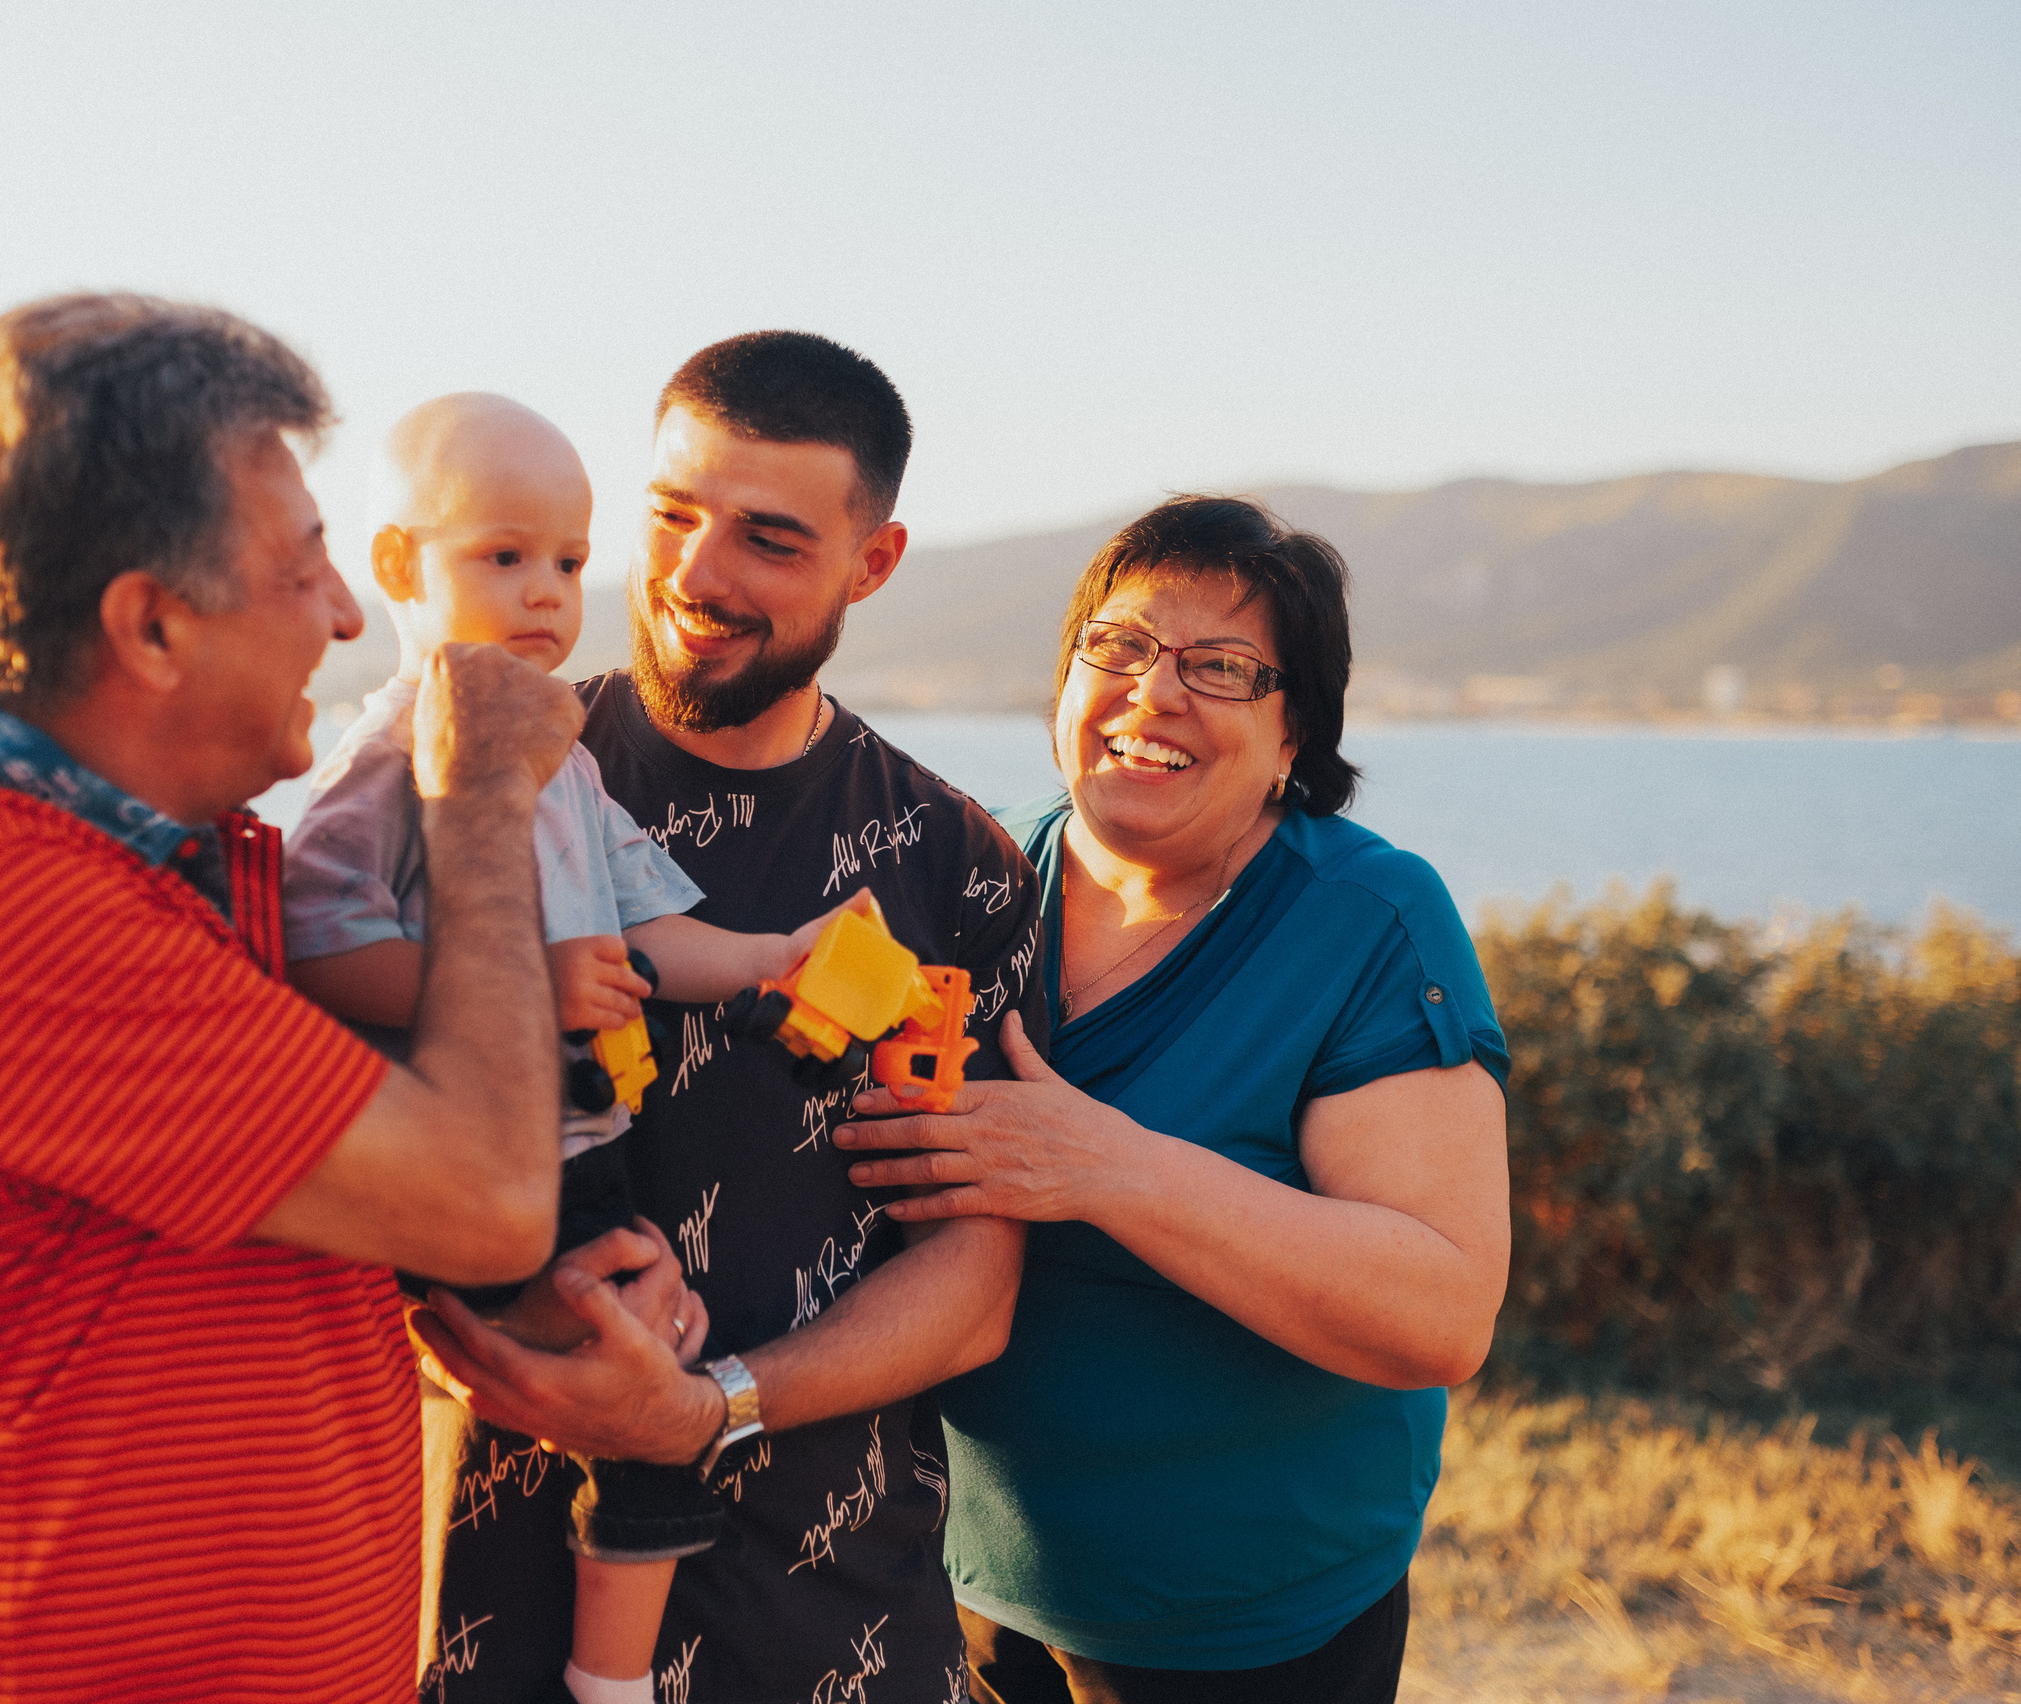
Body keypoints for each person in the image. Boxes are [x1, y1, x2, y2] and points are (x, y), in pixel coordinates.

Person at [0, 294, 601, 1703]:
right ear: (152, 628)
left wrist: (526, 1310)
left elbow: (262, 1253)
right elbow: (485, 1194)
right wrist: (476, 795)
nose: (347, 620)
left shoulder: (171, 874)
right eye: (306, 569)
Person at [409, 331, 1050, 1704]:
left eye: (766, 537)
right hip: (486, 1605)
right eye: (672, 518)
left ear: (870, 564)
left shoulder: (955, 860)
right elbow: (341, 1146)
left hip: (835, 1626)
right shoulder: (477, 778)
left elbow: (976, 1288)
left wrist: (709, 1405)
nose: (698, 576)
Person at [830, 497, 1512, 1704]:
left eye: (1221, 668)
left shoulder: (1366, 922)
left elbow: (1441, 1314)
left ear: (1296, 732)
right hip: (961, 1591)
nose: (1155, 692)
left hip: (1251, 1633)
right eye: (1120, 646)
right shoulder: (970, 881)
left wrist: (1106, 1166)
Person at [280, 391, 856, 1704]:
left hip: (587, 1153)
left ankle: (604, 1673)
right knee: (640, 1393)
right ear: (397, 569)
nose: (547, 592)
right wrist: (518, 980)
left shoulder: (568, 759)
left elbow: (655, 927)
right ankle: (609, 1687)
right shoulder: (391, 756)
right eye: (502, 556)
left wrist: (778, 958)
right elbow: (316, 939)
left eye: (570, 561)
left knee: (655, 1399)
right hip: (473, 1160)